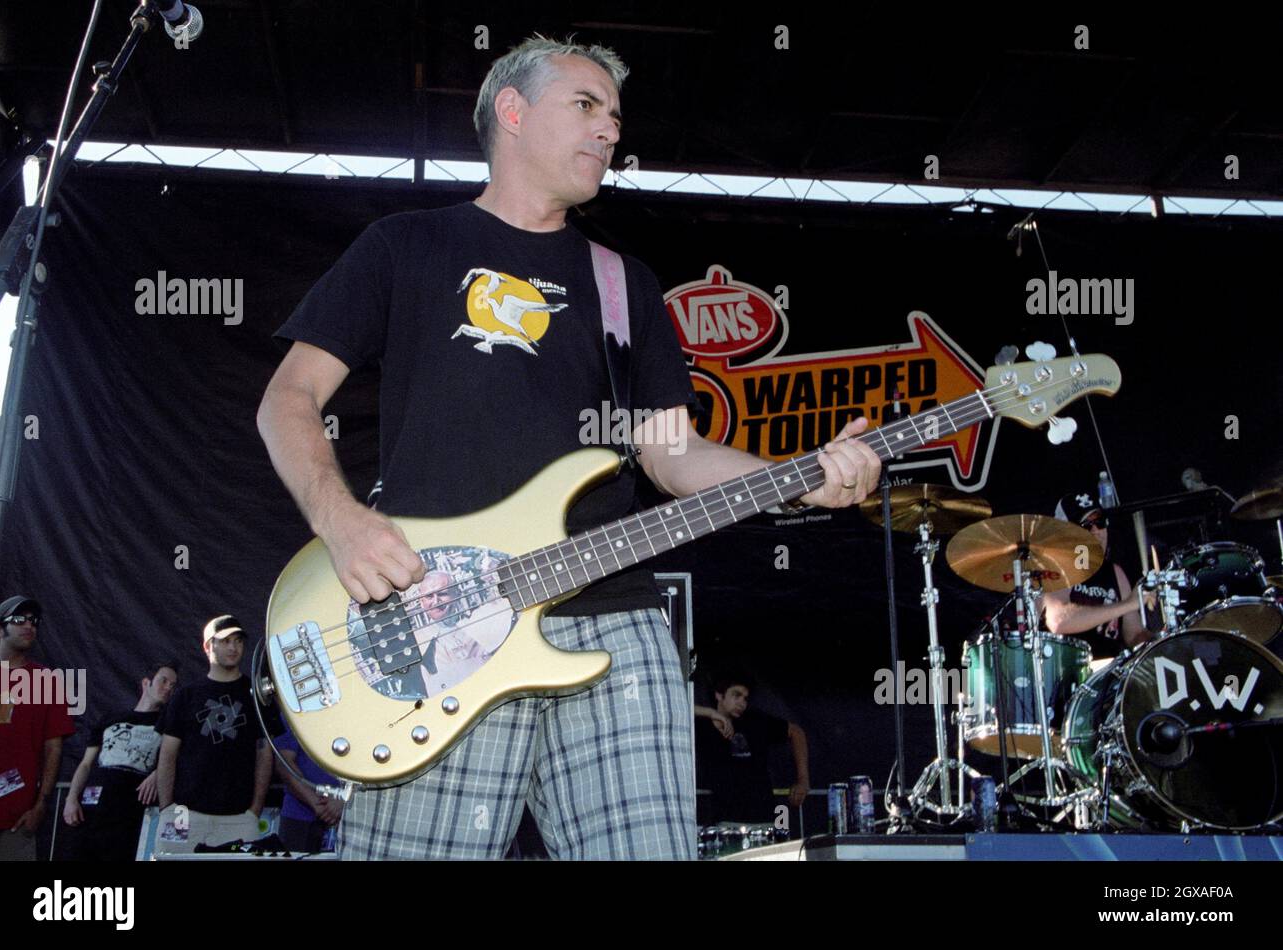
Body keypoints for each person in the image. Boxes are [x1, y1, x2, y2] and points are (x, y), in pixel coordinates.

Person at [257, 35, 880, 860]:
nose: (609, 131)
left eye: (616, 118)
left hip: (614, 627)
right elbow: (286, 400)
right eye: (586, 107)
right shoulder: (403, 247)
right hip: (439, 626)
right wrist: (340, 521)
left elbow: (670, 454)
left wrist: (803, 480)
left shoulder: (625, 284)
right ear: (511, 112)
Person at [153, 615, 272, 855]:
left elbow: (265, 751)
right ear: (208, 646)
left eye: (238, 641)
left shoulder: (256, 696)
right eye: (225, 641)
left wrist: (254, 810)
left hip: (238, 818)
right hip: (183, 814)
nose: (233, 647)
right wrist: (166, 807)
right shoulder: (186, 695)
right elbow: (167, 753)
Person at [0, 595, 74, 861]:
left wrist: (40, 805)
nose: (29, 626)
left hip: (18, 818)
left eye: (34, 621)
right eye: (19, 620)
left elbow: (54, 747)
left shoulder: (46, 681)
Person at [62, 659, 178, 861]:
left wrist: (157, 773)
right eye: (164, 681)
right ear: (146, 683)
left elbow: (177, 758)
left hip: (130, 807)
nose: (168, 688)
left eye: (173, 685)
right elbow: (86, 763)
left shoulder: (169, 724)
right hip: (93, 802)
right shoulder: (112, 718)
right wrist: (71, 798)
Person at [1042, 491, 1153, 662]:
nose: (1096, 531)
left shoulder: (1115, 573)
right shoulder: (1054, 567)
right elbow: (1058, 620)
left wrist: (1159, 642)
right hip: (1064, 674)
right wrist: (1128, 604)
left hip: (1109, 677)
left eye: (1099, 523)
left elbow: (1135, 634)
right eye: (1086, 526)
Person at [694, 674, 809, 825]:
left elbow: (796, 732)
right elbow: (674, 707)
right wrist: (711, 713)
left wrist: (803, 779)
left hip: (765, 818)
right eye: (736, 695)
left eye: (745, 698)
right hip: (726, 820)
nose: (742, 703)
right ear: (719, 695)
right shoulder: (703, 725)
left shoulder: (755, 721)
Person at [272, 730, 343, 853]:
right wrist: (317, 804)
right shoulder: (293, 711)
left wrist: (344, 800)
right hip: (299, 815)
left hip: (352, 814)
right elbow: (284, 763)